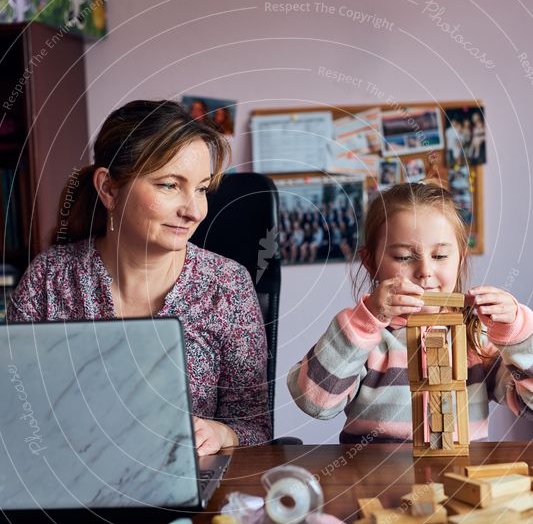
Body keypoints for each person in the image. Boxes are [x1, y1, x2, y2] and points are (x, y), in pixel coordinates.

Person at [8, 100, 272, 453]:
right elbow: (12, 415)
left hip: (190, 494)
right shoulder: (47, 280)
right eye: (169, 185)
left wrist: (223, 435)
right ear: (109, 189)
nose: (193, 211)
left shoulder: (227, 286)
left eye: (201, 189)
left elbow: (255, 427)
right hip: (69, 487)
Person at [287, 181, 533, 443]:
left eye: (439, 256)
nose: (425, 271)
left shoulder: (476, 337)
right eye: (404, 257)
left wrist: (517, 334)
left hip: (457, 480)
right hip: (374, 481)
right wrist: (363, 324)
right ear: (371, 263)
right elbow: (314, 403)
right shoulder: (363, 336)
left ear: (460, 257)